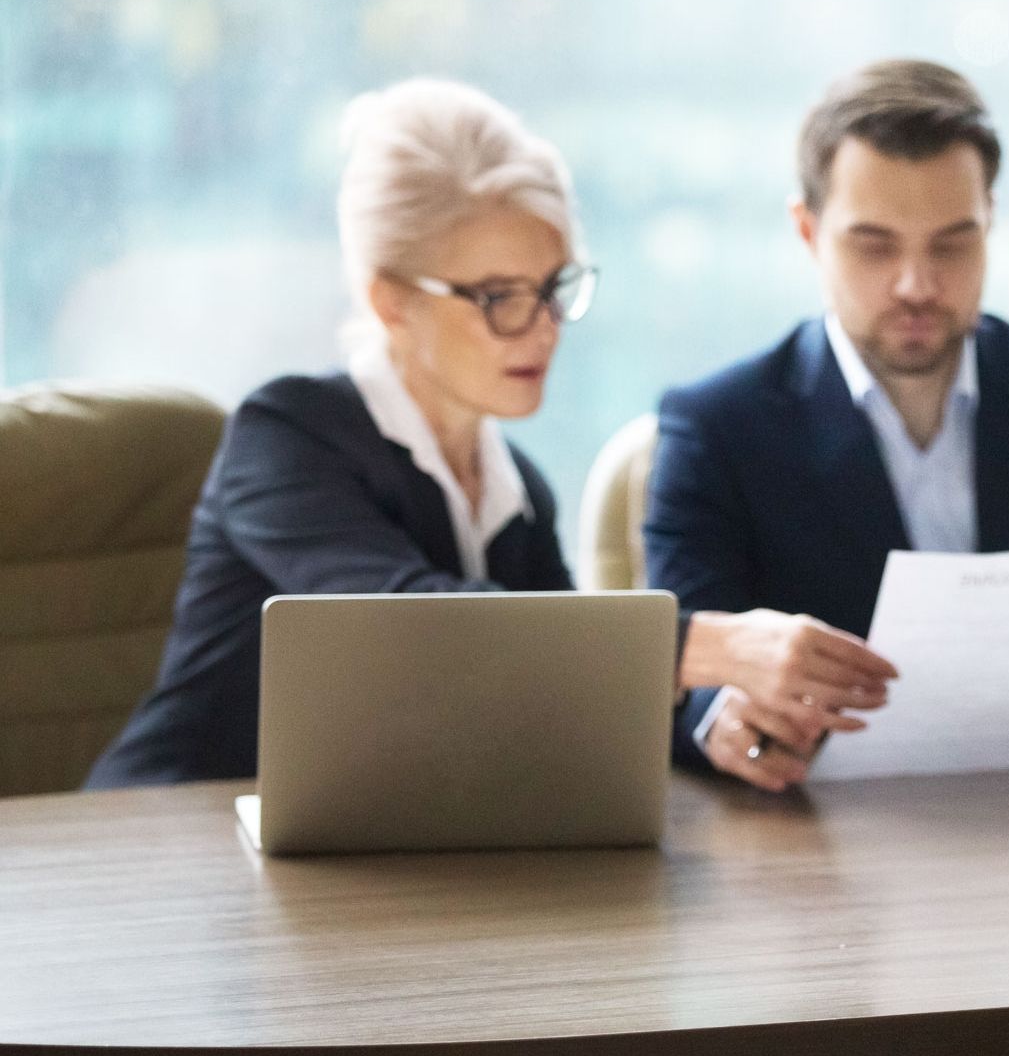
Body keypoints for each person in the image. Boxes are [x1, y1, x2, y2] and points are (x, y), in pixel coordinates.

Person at [86, 79, 893, 788]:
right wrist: (711, 644)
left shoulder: (516, 490)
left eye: (554, 288)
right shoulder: (287, 436)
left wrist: (721, 725)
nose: (542, 329)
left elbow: (569, 688)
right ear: (390, 300)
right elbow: (419, 623)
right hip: (171, 840)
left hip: (367, 866)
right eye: (501, 296)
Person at [645, 59, 1009, 791]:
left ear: (990, 222)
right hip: (808, 850)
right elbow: (671, 668)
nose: (916, 285)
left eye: (952, 242)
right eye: (874, 245)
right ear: (807, 232)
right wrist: (723, 720)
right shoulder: (715, 425)